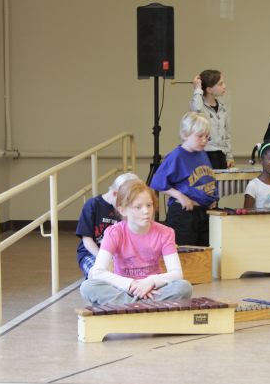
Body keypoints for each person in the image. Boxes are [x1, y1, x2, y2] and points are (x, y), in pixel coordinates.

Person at [80, 179, 193, 305]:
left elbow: (177, 273)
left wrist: (151, 281)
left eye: (149, 205)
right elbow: (98, 271)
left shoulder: (165, 232)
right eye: (138, 207)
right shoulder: (113, 232)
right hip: (123, 289)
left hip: (153, 288)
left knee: (184, 287)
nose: (146, 211)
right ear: (122, 210)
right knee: (88, 286)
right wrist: (131, 284)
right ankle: (146, 304)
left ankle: (128, 305)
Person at [150, 112, 218, 247]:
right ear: (185, 135)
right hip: (184, 214)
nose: (204, 141)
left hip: (203, 212)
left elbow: (207, 179)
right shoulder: (176, 156)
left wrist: (211, 198)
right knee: (185, 254)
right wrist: (180, 196)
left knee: (204, 253)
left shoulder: (202, 153)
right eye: (199, 136)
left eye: (207, 137)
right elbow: (157, 182)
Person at [75, 172, 139, 279]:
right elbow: (87, 241)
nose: (126, 206)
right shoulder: (93, 205)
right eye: (125, 202)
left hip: (119, 255)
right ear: (115, 194)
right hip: (92, 253)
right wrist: (104, 259)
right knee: (98, 273)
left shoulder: (127, 209)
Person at [190, 69, 234, 168]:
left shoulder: (222, 108)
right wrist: (198, 89)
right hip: (206, 154)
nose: (224, 86)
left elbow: (226, 134)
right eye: (220, 84)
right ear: (209, 89)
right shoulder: (199, 105)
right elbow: (197, 110)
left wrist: (229, 156)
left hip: (221, 155)